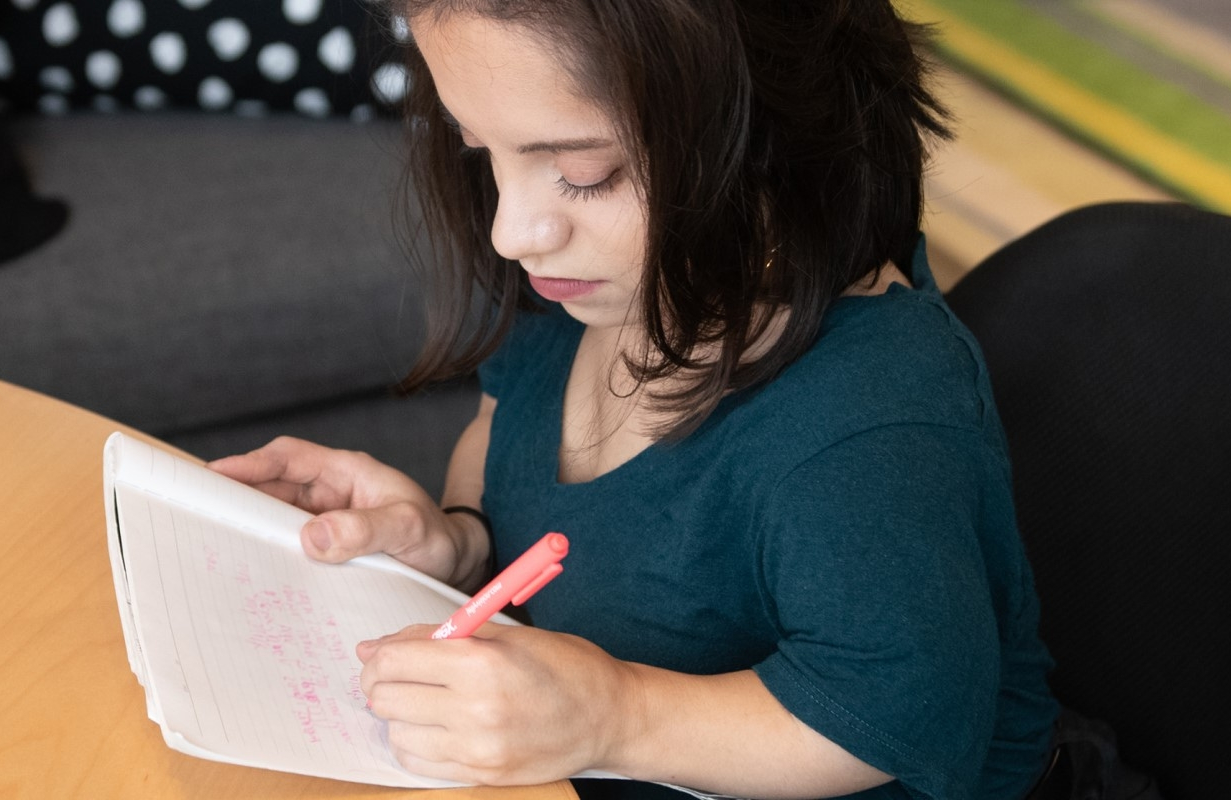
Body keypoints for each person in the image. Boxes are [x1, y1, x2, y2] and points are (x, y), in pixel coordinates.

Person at [208, 1, 1060, 798]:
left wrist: (614, 714)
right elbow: (499, 429)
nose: (512, 231)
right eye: (482, 151)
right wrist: (460, 540)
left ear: (777, 145)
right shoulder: (590, 286)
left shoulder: (868, 423)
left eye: (583, 173)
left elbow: (897, 718)